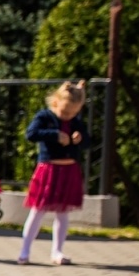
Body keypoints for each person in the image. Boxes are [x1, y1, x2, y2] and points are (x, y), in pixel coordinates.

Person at [18, 82, 90, 266]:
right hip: (49, 169)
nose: (68, 116)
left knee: (63, 212)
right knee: (38, 211)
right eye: (65, 112)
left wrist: (79, 139)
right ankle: (24, 251)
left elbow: (88, 141)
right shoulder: (45, 116)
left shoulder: (76, 122)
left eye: (73, 113)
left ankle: (57, 251)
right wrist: (55, 135)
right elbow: (31, 134)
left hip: (69, 169)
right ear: (56, 102)